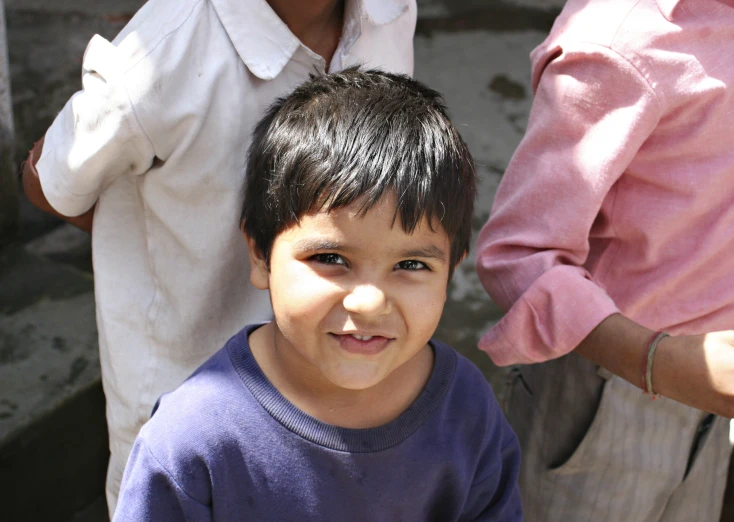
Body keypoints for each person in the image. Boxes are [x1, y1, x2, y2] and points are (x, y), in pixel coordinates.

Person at [19, 0, 415, 512]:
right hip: (186, 387)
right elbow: (50, 183)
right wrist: (166, 233)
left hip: (334, 384)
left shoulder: (389, 12)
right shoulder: (162, 56)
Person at [112, 69, 522, 521]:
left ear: (450, 272)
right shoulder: (191, 441)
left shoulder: (466, 409)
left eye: (410, 266)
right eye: (331, 258)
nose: (369, 303)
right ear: (261, 256)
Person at [475, 0, 734, 520]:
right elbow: (520, 254)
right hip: (605, 392)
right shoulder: (619, 40)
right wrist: (657, 362)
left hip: (716, 397)